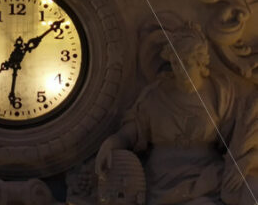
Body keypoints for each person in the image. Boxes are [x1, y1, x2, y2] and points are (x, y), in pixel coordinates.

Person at [95, 23, 247, 205]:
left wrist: (247, 162)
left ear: (200, 61)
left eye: (187, 62)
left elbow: (239, 138)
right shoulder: (155, 96)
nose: (180, 69)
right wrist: (110, 144)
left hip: (208, 179)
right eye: (175, 62)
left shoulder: (219, 93)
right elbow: (131, 133)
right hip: (160, 182)